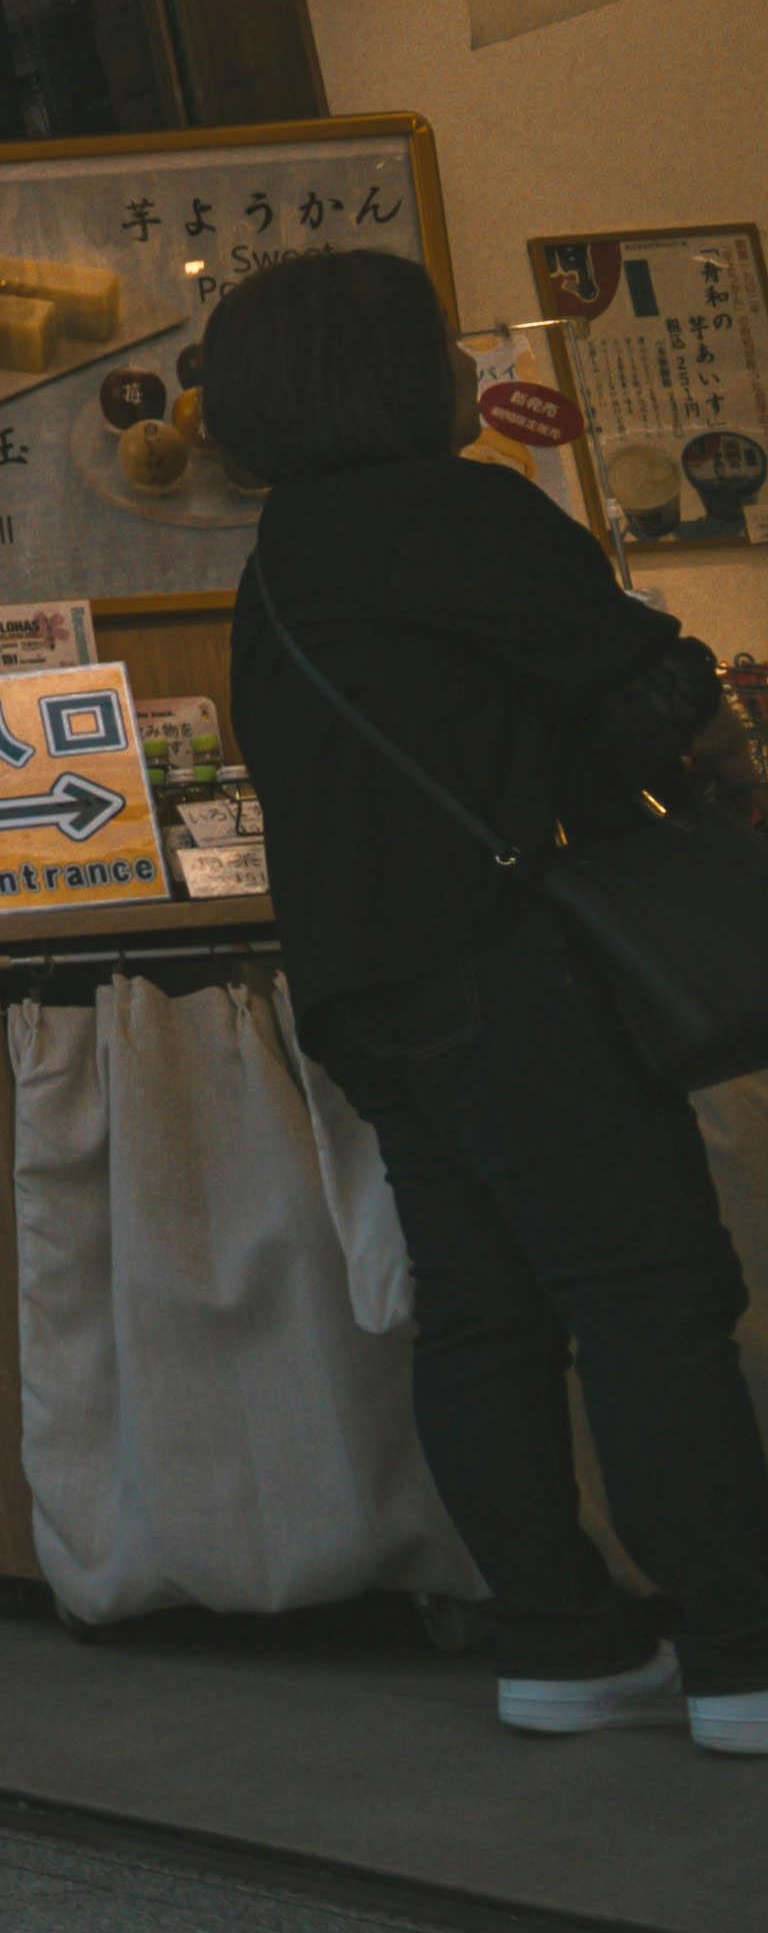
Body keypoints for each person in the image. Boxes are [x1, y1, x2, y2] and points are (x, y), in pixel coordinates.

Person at [211, 246, 768, 1750]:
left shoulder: (279, 560)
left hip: (365, 989)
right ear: (383, 375)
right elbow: (637, 682)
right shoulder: (454, 513)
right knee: (648, 1299)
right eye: (435, 346)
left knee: (483, 1318)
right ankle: (742, 1655)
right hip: (503, 959)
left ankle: (563, 1641)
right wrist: (723, 764)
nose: (465, 368)